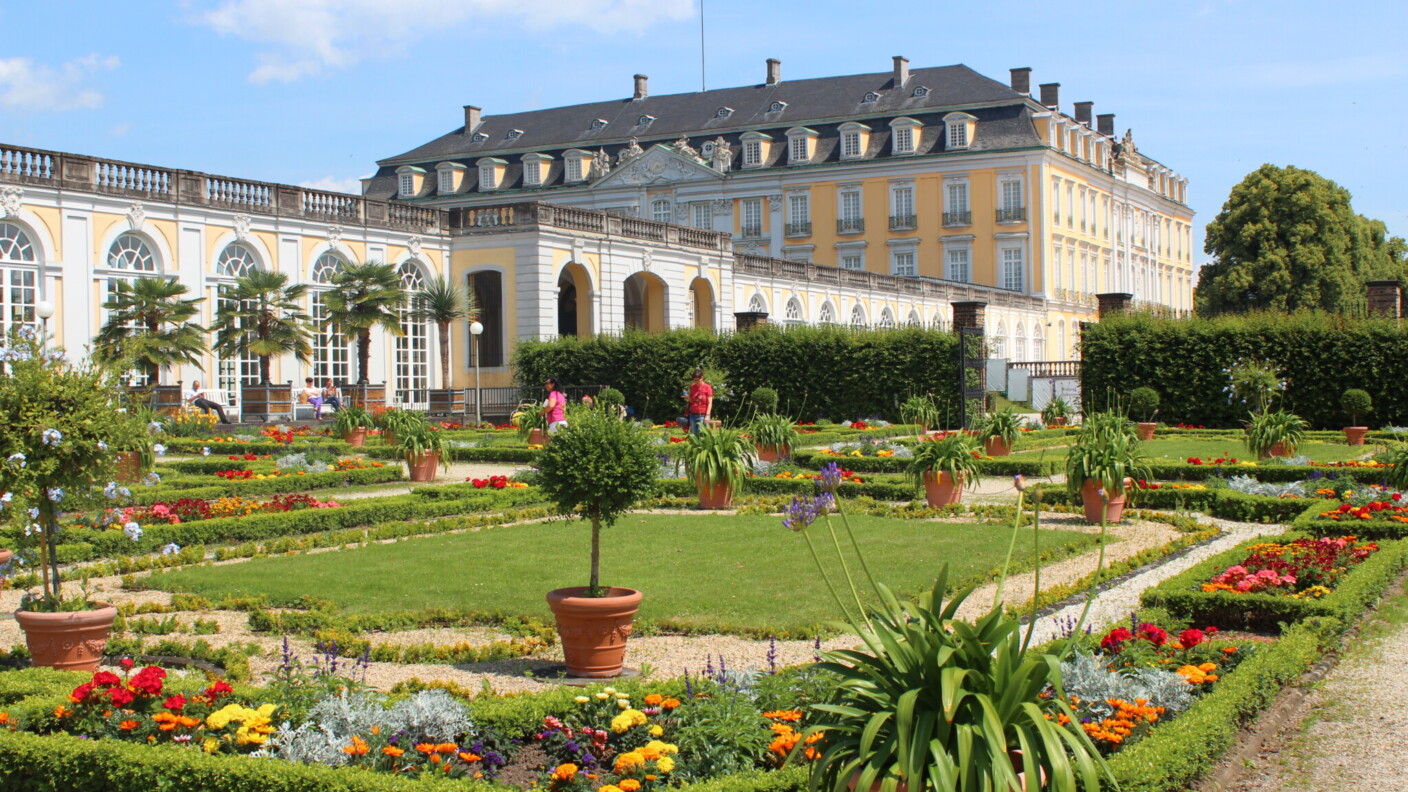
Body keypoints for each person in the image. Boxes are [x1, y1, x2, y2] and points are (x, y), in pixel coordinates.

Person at [687, 368, 713, 435]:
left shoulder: (707, 387)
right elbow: (692, 401)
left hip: (703, 415)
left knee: (702, 434)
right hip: (693, 414)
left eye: (697, 380)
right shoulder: (692, 387)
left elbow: (710, 403)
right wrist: (688, 398)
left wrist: (707, 415)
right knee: (693, 434)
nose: (695, 382)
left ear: (702, 378)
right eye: (694, 380)